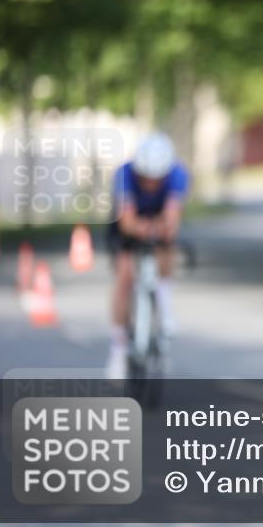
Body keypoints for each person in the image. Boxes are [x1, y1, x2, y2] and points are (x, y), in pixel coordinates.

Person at [105, 132, 189, 379]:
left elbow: (172, 218)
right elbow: (126, 220)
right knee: (124, 277)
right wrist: (140, 229)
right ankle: (118, 349)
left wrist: (161, 229)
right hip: (129, 221)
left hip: (159, 217)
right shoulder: (123, 175)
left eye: (157, 180)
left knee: (167, 246)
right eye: (146, 179)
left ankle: (164, 302)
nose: (151, 184)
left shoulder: (178, 174)